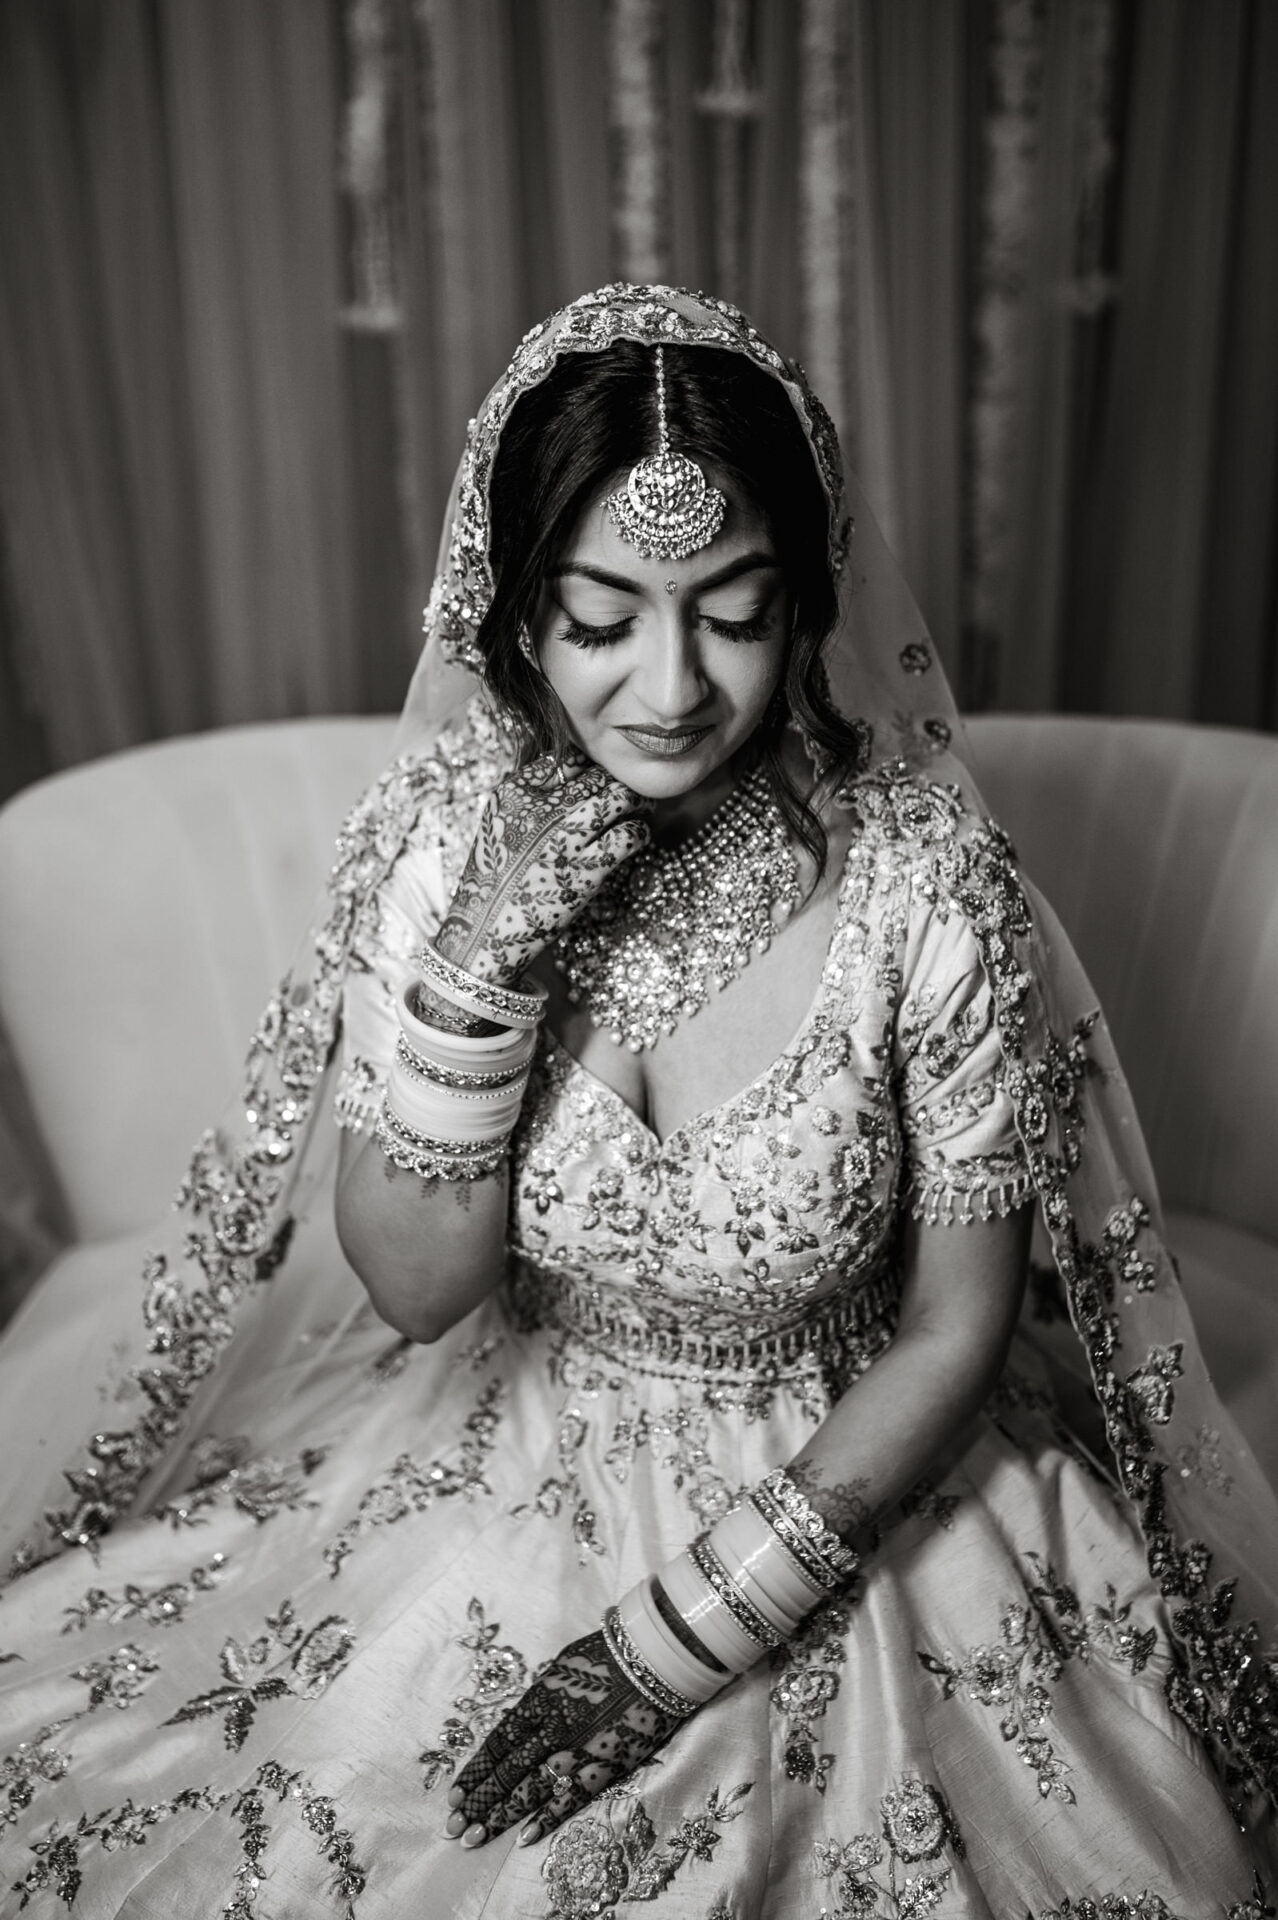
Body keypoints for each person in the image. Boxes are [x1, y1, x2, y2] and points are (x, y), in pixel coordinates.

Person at [1, 284, 1275, 1917]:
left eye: (732, 614)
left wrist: (691, 1629)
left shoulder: (921, 886)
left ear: (805, 610)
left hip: (850, 1478)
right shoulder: (452, 846)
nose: (670, 686)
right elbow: (418, 1291)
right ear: (514, 617)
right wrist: (482, 975)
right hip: (503, 1451)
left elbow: (955, 1332)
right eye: (602, 621)